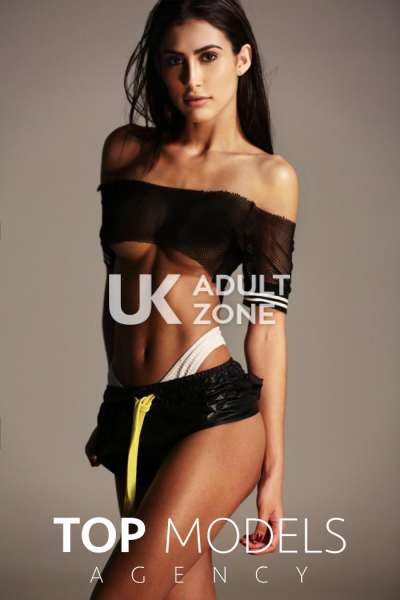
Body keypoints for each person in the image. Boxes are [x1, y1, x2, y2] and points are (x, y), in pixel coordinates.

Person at [85, 0, 299, 598]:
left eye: (208, 57)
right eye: (174, 61)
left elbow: (267, 326)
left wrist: (273, 472)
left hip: (214, 413)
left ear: (242, 60)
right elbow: (117, 287)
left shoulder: (267, 177)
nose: (191, 79)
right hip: (131, 409)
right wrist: (113, 404)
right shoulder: (124, 151)